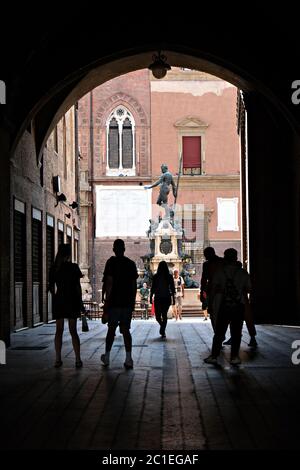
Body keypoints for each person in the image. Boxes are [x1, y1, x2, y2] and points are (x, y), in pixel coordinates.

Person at [204, 248, 251, 366]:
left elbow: (213, 289)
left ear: (225, 258)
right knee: (236, 332)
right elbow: (249, 288)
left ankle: (214, 356)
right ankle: (234, 357)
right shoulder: (243, 273)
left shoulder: (220, 272)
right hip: (238, 306)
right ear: (236, 258)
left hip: (224, 306)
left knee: (219, 332)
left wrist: (210, 304)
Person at [101, 239, 138, 369]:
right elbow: (134, 286)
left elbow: (109, 283)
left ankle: (107, 357)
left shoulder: (110, 263)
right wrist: (132, 303)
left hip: (114, 303)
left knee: (111, 330)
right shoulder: (131, 264)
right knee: (126, 330)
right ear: (124, 249)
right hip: (127, 303)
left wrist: (106, 302)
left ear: (113, 249)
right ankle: (129, 359)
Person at [49, 243, 84, 369]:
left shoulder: (54, 268)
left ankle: (58, 359)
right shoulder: (74, 267)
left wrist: (57, 297)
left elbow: (51, 288)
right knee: (73, 331)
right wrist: (81, 304)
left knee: (58, 331)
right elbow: (78, 287)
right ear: (69, 254)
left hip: (60, 301)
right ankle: (78, 360)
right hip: (72, 300)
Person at [200, 247, 223, 331]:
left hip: (212, 291)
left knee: (213, 313)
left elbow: (204, 280)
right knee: (223, 312)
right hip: (223, 290)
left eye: (205, 254)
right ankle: (220, 332)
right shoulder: (222, 261)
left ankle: (217, 332)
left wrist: (202, 292)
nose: (205, 256)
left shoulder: (206, 264)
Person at [150, 261, 175, 338]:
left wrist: (151, 296)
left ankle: (162, 329)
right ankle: (162, 328)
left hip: (159, 297)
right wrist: (173, 298)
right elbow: (172, 288)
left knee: (159, 316)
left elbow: (153, 288)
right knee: (162, 315)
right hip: (165, 297)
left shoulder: (157, 276)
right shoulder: (167, 276)